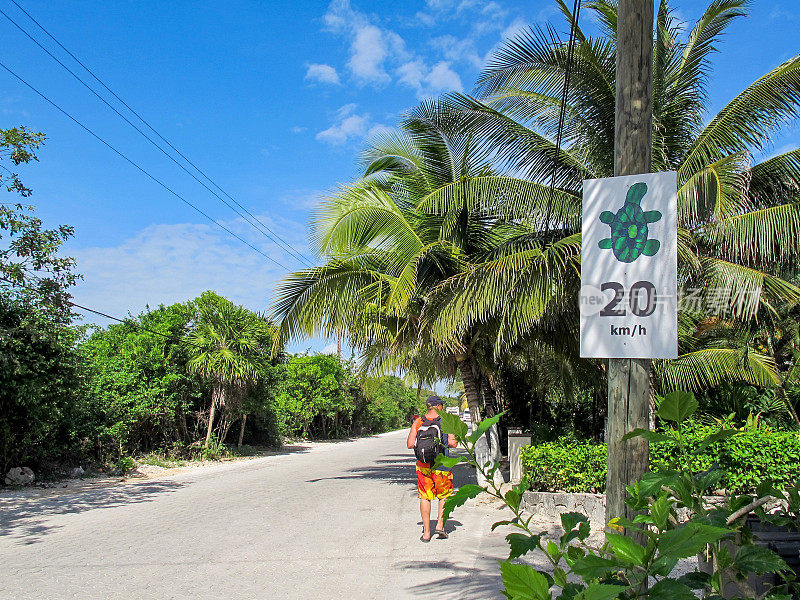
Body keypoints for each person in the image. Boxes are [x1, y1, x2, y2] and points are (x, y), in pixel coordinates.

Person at [407, 395, 458, 542]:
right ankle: (440, 526)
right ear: (439, 406)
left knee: (425, 496)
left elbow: (410, 444)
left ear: (428, 406)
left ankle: (426, 533)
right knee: (443, 496)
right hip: (441, 464)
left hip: (423, 465)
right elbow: (453, 443)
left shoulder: (419, 421)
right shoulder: (446, 420)